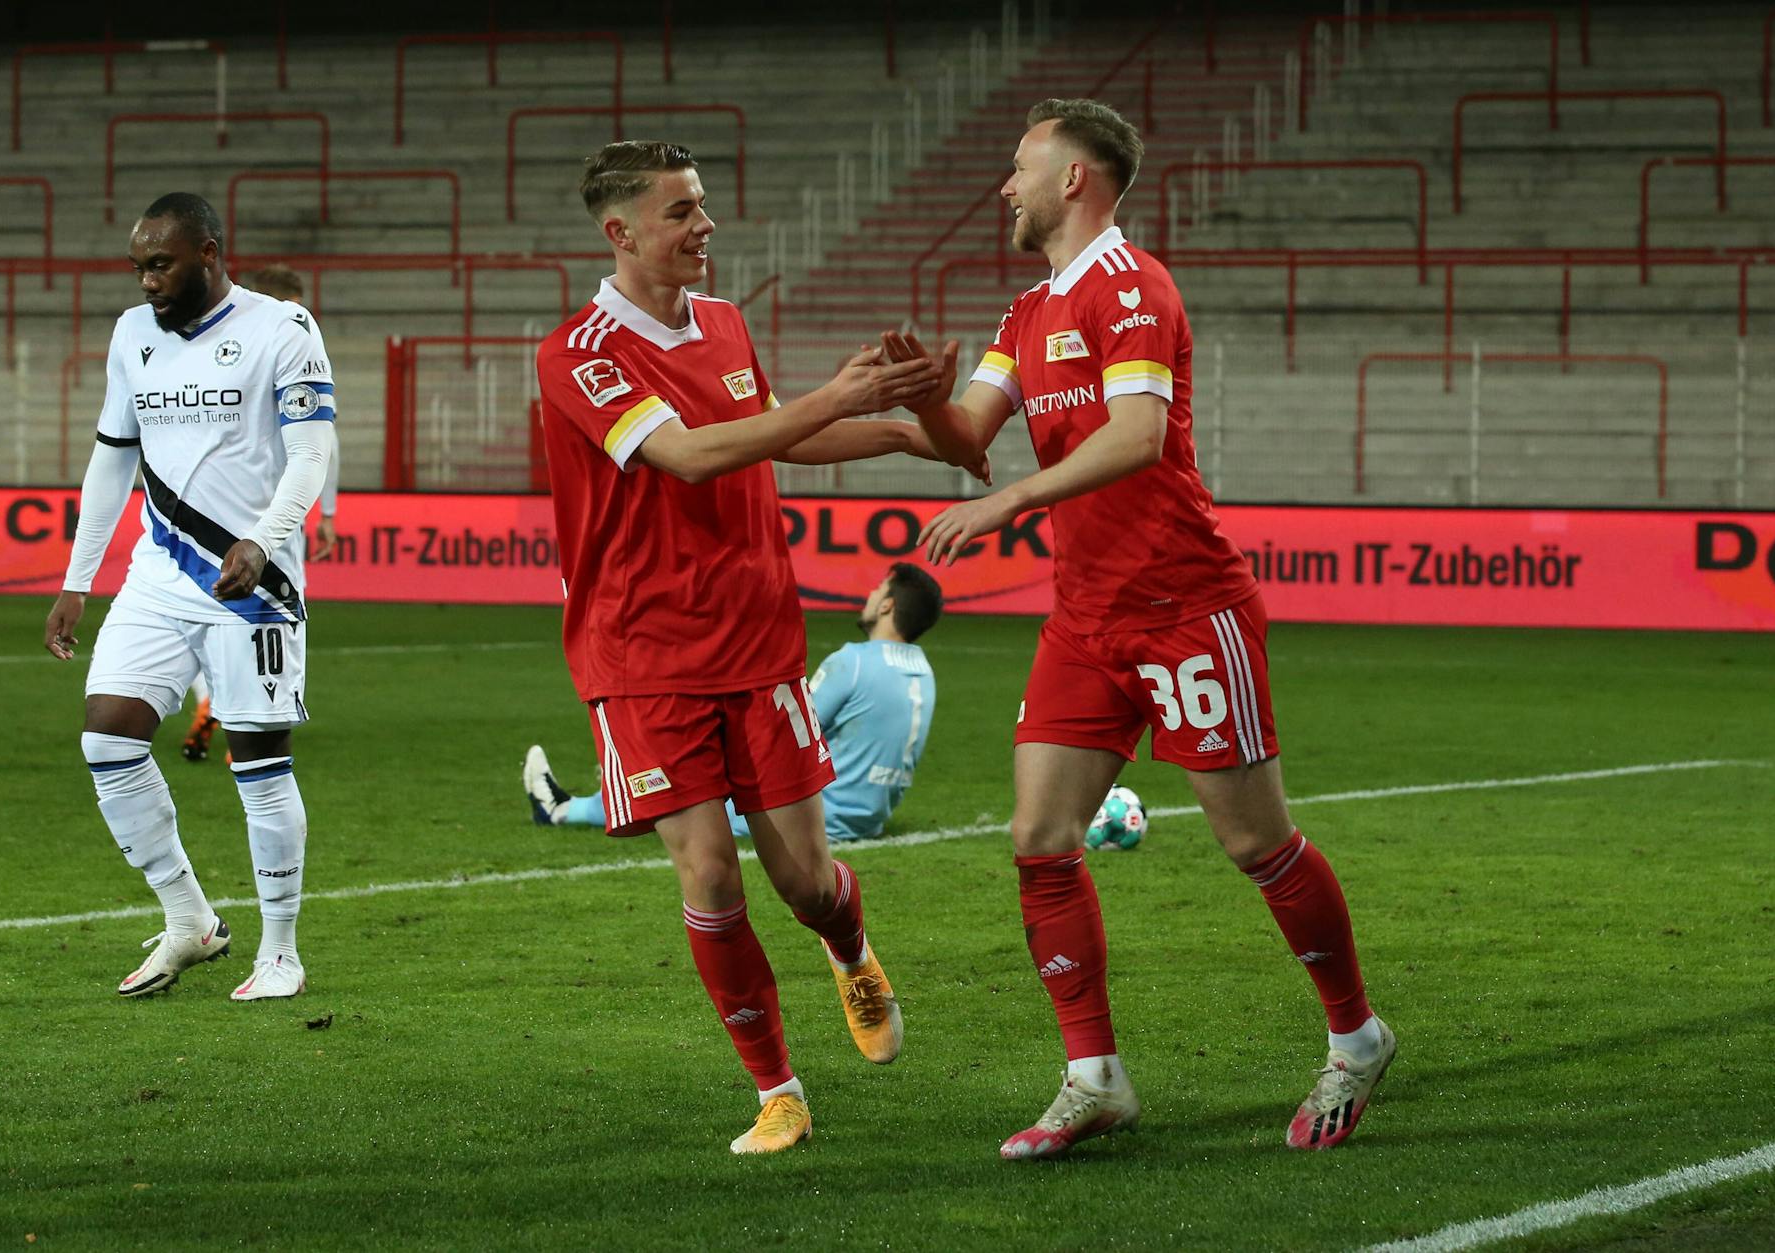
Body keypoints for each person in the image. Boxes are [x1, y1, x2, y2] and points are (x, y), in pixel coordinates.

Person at [886, 99, 1395, 1159]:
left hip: (1183, 606)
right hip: (1086, 617)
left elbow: (1135, 435)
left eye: (1020, 165)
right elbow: (967, 436)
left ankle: (1355, 1034)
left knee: (1253, 840)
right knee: (1039, 838)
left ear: (1074, 177)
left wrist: (1007, 503)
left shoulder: (1133, 286)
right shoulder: (1026, 314)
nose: (1004, 186)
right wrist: (917, 398)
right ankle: (1094, 1076)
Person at [536, 140, 955, 1154]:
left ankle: (849, 948)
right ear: (619, 232)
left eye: (703, 205)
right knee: (710, 876)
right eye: (679, 211)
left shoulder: (722, 323)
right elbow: (685, 455)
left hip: (758, 640)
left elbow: (767, 430)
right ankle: (778, 1089)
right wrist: (838, 396)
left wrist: (899, 431)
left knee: (805, 880)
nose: (703, 226)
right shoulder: (577, 352)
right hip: (641, 653)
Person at [43, 191, 337, 1002]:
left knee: (260, 767)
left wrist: (265, 540)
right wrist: (78, 578)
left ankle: (280, 951)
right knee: (108, 738)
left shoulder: (283, 328)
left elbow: (313, 452)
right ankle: (190, 919)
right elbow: (111, 459)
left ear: (209, 253)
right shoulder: (132, 335)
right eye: (138, 265)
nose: (145, 281)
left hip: (253, 586)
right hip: (157, 576)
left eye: (160, 263)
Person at [526, 562, 944, 842]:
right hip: (869, 817)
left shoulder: (853, 661)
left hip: (817, 816)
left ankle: (562, 810)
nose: (870, 594)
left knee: (674, 785)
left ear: (888, 605)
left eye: (878, 590)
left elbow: (791, 733)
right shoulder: (924, 670)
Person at [181, 263, 339, 763]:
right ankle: (242, 723)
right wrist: (327, 513)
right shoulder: (294, 350)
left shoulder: (221, 360)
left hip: (201, 523)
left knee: (204, 618)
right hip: (269, 530)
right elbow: (321, 449)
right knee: (253, 621)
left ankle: (212, 704)